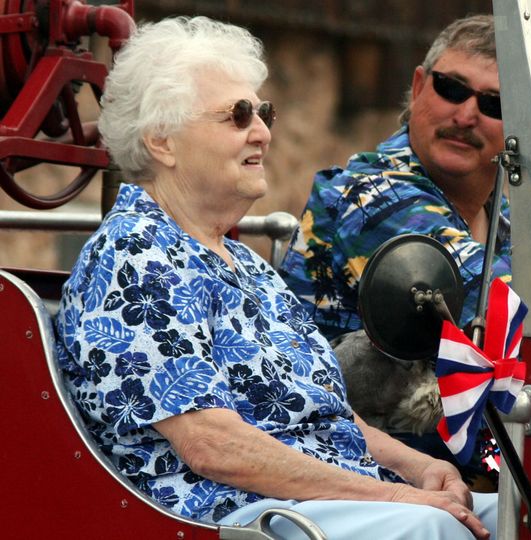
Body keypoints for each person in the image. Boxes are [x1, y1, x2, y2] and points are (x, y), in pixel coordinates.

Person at [54, 16, 496, 540]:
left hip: (312, 499)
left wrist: (416, 468)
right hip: (224, 513)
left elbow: (322, 415)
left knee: (523, 518)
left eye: (263, 112)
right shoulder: (135, 256)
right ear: (162, 141)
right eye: (238, 116)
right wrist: (398, 495)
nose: (263, 131)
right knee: (430, 528)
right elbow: (212, 445)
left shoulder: (245, 266)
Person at [278, 14, 512, 490]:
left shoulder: (512, 212)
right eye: (451, 88)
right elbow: (505, 308)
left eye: (494, 103)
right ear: (420, 84)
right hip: (348, 465)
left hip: (457, 465)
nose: (466, 115)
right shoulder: (371, 194)